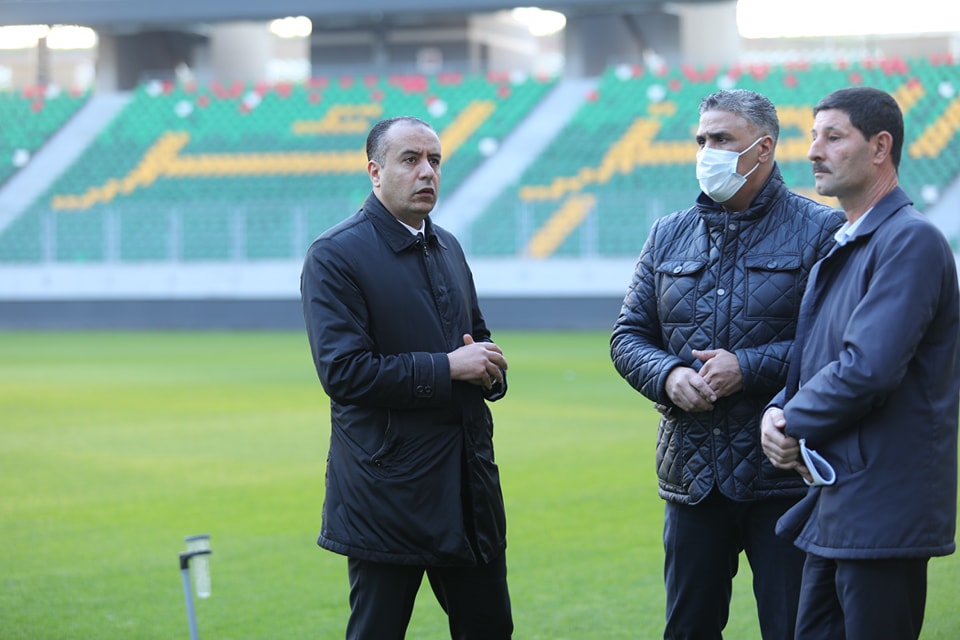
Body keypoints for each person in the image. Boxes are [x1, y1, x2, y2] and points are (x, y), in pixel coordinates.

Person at [610, 89, 844, 639]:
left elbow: (835, 345)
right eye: (701, 140)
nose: (706, 151)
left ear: (762, 149)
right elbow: (628, 336)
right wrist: (667, 376)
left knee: (794, 629)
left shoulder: (819, 229)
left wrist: (750, 366)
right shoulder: (668, 233)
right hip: (691, 477)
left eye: (721, 139)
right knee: (688, 630)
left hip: (784, 478)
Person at [300, 115, 513, 640]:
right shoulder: (335, 255)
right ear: (375, 171)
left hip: (467, 487)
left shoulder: (449, 248)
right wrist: (447, 368)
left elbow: (478, 341)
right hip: (387, 494)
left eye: (435, 160)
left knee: (490, 630)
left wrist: (490, 372)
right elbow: (344, 373)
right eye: (410, 160)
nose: (427, 173)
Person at [760, 86, 959, 639]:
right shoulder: (849, 244)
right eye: (812, 136)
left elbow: (868, 368)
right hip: (838, 506)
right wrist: (776, 410)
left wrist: (790, 421)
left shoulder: (910, 242)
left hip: (882, 512)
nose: (813, 151)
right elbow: (809, 362)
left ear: (879, 147)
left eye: (833, 136)